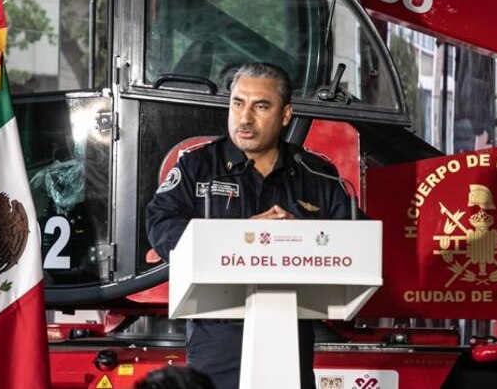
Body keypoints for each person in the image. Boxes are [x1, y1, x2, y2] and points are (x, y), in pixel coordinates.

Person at [145, 62, 353, 389]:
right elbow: (160, 226)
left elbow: (356, 242)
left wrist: (301, 236)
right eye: (238, 103)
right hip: (216, 336)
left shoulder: (317, 175)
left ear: (286, 115)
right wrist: (240, 235)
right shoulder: (197, 167)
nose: (245, 118)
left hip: (291, 337)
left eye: (261, 106)